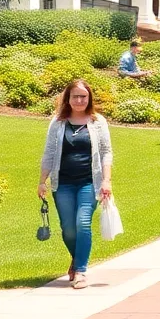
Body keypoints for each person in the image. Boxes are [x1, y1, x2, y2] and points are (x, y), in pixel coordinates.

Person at [37, 79, 113, 290]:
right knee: (68, 229)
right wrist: (42, 181)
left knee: (83, 223)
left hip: (90, 182)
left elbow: (106, 152)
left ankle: (80, 270)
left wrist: (106, 180)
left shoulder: (98, 122)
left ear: (89, 98)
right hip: (63, 184)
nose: (79, 100)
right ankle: (76, 256)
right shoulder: (58, 122)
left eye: (83, 96)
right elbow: (49, 153)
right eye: (75, 96)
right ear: (68, 99)